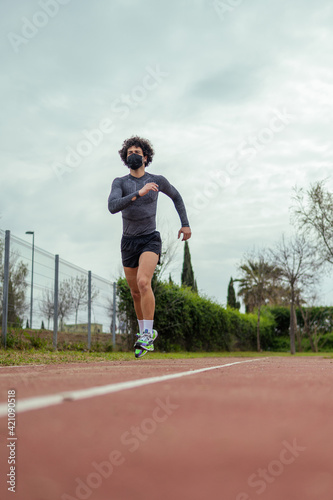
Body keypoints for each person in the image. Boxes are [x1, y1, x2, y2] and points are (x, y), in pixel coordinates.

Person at [108, 136, 191, 358]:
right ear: (126, 159)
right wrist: (138, 193)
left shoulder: (158, 180)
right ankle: (144, 333)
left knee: (144, 283)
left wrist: (185, 224)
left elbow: (176, 197)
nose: (132, 155)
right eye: (128, 153)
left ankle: (146, 335)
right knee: (135, 292)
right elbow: (112, 206)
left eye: (136, 152)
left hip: (150, 239)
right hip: (128, 242)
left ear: (145, 156)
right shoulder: (120, 182)